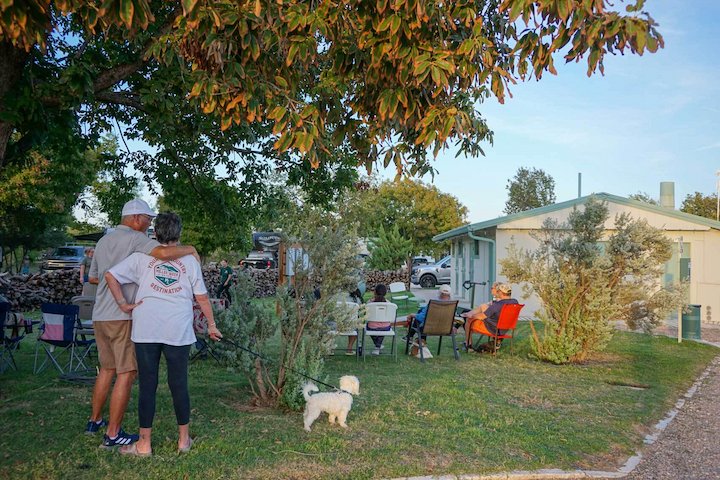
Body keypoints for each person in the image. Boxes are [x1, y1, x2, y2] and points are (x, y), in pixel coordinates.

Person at [86, 198, 201, 449]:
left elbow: (94, 277)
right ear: (136, 218)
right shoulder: (138, 240)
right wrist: (191, 249)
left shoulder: (103, 240)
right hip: (123, 315)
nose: (149, 224)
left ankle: (94, 420)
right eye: (147, 219)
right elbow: (163, 253)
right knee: (127, 373)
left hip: (100, 314)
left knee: (106, 369)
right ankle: (114, 433)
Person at [104, 212, 222, 456]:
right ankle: (183, 440)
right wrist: (211, 325)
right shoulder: (190, 261)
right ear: (179, 234)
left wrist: (123, 304)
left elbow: (110, 275)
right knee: (179, 384)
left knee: (148, 385)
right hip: (177, 329)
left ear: (155, 234)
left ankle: (144, 444)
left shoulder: (141, 258)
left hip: (146, 328)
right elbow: (201, 297)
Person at [461, 282, 518, 352]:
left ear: (500, 292)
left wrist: (471, 315)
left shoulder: (497, 305)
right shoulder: (515, 302)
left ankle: (468, 346)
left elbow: (482, 316)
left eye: (498, 291)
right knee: (480, 310)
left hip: (493, 329)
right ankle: (495, 343)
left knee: (469, 320)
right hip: (505, 329)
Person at [366, 284, 392, 355]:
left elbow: (366, 315)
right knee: (382, 327)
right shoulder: (389, 304)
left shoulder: (369, 303)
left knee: (369, 326)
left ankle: (377, 346)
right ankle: (378, 346)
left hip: (372, 327)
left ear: (374, 292)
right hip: (386, 327)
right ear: (385, 293)